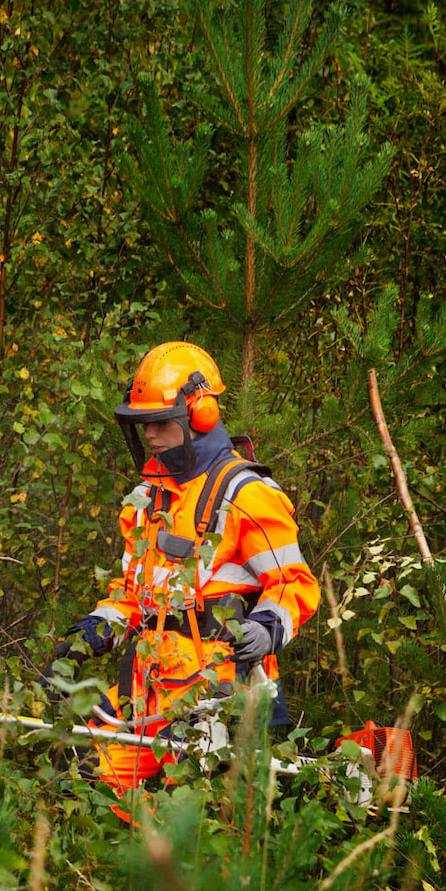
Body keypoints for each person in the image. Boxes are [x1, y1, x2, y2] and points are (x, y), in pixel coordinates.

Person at [49, 341, 319, 816]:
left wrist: (267, 628)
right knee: (84, 781)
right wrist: (95, 630)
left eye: (159, 422)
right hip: (146, 687)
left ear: (201, 413)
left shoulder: (246, 493)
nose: (149, 434)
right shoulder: (150, 499)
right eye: (142, 423)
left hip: (216, 695)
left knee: (195, 816)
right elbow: (137, 595)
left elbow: (294, 584)